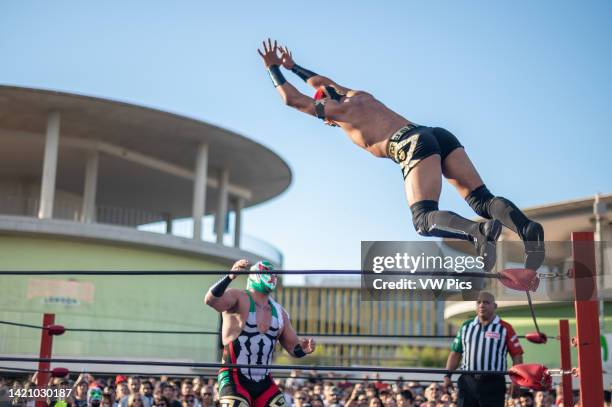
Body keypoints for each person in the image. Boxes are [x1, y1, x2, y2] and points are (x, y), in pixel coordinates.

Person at [257, 39, 545, 272]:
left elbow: (292, 99)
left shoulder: (335, 112)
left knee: (423, 219)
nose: (330, 124)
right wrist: (294, 66)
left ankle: (478, 232)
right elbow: (320, 81)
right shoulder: (358, 95)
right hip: (434, 133)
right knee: (481, 199)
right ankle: (526, 228)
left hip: (411, 144)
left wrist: (273, 68)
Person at [204, 259, 316, 407]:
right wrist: (229, 277)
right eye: (266, 273)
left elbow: (294, 350)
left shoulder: (280, 312)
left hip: (264, 382)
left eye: (273, 274)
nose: (271, 277)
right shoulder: (238, 297)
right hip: (234, 378)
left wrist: (304, 349)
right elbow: (211, 300)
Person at [444, 292, 524, 407]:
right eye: (479, 302)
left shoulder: (505, 328)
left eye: (486, 302)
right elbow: (455, 353)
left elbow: (517, 354)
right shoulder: (466, 326)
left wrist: (516, 381)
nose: (482, 305)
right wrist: (447, 376)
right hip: (467, 381)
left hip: (493, 382)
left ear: (495, 306)